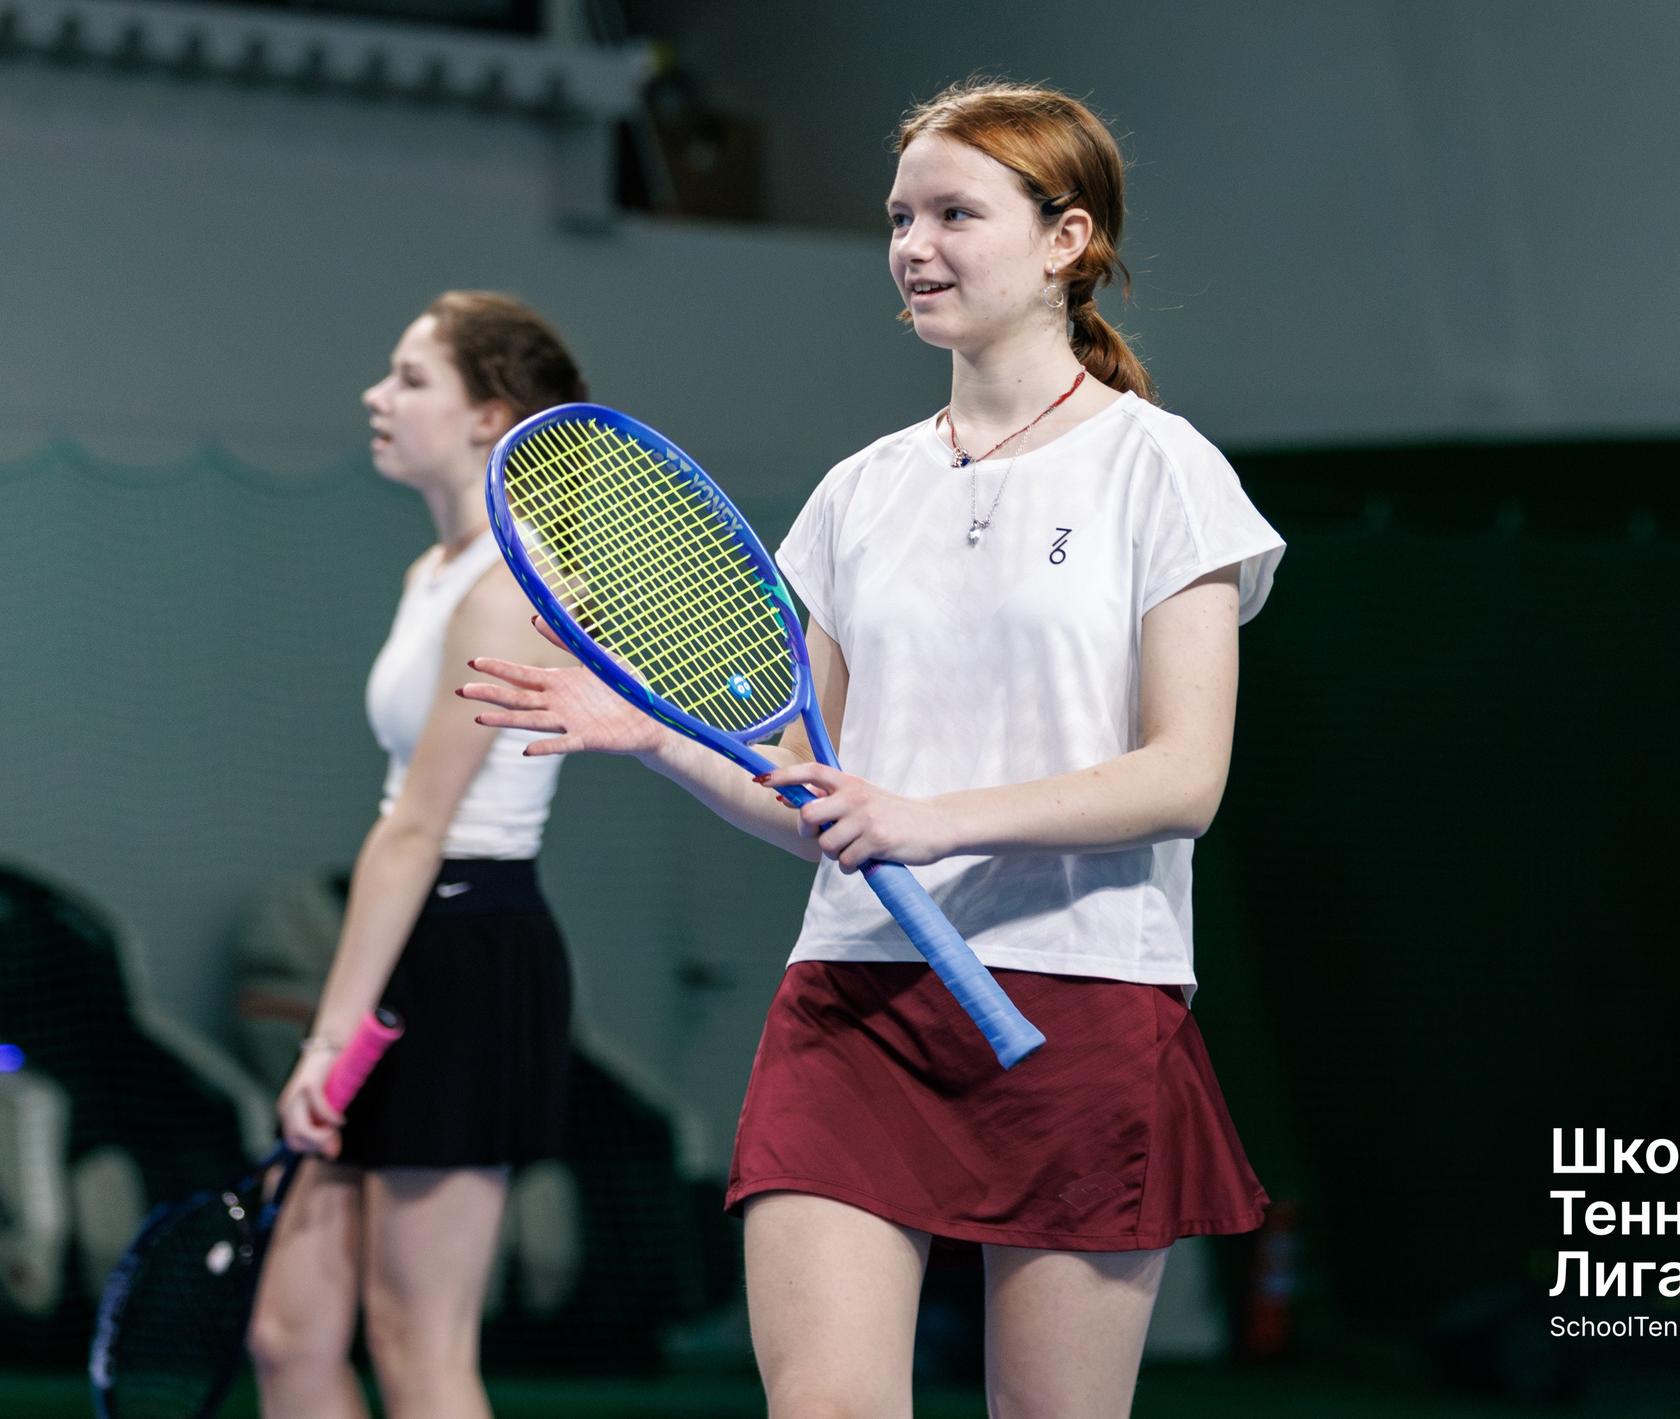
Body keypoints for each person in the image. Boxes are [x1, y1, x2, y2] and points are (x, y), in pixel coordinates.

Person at [464, 81, 1285, 1419]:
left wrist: (935, 819)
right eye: (901, 216)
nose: (914, 246)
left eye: (957, 214)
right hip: (852, 999)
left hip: (1080, 997)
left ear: (1065, 239)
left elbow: (1181, 780)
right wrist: (653, 738)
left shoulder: (1161, 470)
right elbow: (815, 798)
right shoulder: (862, 491)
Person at [249, 292, 588, 1419]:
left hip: (470, 952)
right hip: (405, 941)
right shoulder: (433, 570)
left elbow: (415, 825)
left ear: (490, 414)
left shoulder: (511, 587)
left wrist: (326, 1038)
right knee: (288, 1334)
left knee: (417, 1343)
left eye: (407, 378)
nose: (375, 398)